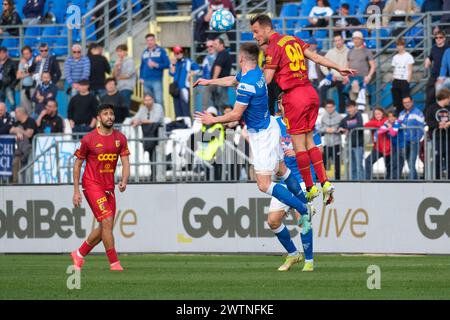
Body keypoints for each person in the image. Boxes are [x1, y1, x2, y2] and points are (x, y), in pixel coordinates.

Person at [195, 42, 315, 235]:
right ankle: (305, 200)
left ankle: (303, 209)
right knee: (281, 170)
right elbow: (232, 80)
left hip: (261, 135)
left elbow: (235, 115)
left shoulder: (247, 85)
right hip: (270, 126)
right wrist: (209, 81)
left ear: (241, 58)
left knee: (264, 184)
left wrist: (213, 119)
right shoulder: (256, 73)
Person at [249, 14, 356, 204]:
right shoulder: (293, 39)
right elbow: (315, 57)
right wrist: (338, 68)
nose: (254, 36)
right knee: (309, 142)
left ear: (267, 29)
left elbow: (265, 80)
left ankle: (309, 187)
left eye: (256, 32)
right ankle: (324, 182)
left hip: (294, 96)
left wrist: (244, 82)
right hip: (310, 93)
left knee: (299, 146)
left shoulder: (273, 46)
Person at [71, 104, 130, 272]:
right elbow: (77, 164)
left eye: (111, 113)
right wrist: (76, 191)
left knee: (106, 227)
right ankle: (114, 263)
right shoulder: (88, 139)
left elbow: (125, 162)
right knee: (107, 221)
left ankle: (79, 253)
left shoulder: (120, 138)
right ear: (99, 118)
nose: (110, 117)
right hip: (91, 184)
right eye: (105, 114)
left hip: (109, 186)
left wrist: (124, 180)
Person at [268, 96, 317, 272]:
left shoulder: (304, 123)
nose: (284, 105)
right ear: (279, 105)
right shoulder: (274, 123)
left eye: (287, 101)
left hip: (303, 180)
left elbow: (318, 150)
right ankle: (293, 253)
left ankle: (309, 261)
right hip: (284, 180)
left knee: (302, 219)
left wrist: (298, 152)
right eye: (281, 102)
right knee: (273, 221)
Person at [319, 34, 349, 113]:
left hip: (344, 78)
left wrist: (347, 76)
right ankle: (322, 108)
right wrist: (329, 75)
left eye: (339, 40)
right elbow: (322, 64)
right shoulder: (331, 52)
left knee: (342, 94)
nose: (338, 42)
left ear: (342, 40)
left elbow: (352, 65)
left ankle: (342, 113)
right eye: (335, 41)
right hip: (333, 78)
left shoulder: (348, 52)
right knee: (323, 88)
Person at [345, 31, 376, 105]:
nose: (356, 40)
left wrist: (369, 76)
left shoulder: (367, 51)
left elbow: (373, 66)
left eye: (358, 39)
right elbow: (347, 65)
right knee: (352, 102)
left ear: (362, 40)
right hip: (352, 80)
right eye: (354, 39)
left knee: (364, 102)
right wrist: (346, 76)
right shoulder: (350, 51)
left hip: (363, 80)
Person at [425, 88, 450, 179]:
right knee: (437, 160)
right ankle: (437, 179)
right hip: (436, 139)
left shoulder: (449, 108)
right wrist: (438, 124)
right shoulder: (431, 108)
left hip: (448, 138)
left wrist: (448, 124)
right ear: (445, 97)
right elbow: (427, 121)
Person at [398, 96, 425, 179]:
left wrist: (416, 139)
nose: (406, 104)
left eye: (408, 102)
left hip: (414, 142)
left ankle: (411, 181)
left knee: (411, 162)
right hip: (404, 142)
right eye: (404, 103)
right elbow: (398, 126)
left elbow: (421, 128)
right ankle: (415, 180)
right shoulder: (401, 113)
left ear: (412, 102)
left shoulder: (418, 113)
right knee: (409, 163)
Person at [139, 33, 170, 106]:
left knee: (158, 100)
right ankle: (150, 117)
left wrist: (156, 65)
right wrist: (141, 77)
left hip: (156, 80)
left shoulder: (161, 51)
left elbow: (168, 64)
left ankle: (161, 117)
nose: (150, 42)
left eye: (151, 40)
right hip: (146, 80)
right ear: (146, 42)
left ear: (155, 40)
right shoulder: (144, 52)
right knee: (148, 102)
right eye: (148, 40)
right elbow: (142, 66)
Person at [169, 46, 199, 118]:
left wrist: (190, 74)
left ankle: (187, 124)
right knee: (177, 109)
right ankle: (179, 124)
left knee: (185, 108)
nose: (177, 54)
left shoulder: (188, 61)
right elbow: (171, 73)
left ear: (182, 53)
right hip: (175, 89)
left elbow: (197, 69)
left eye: (179, 53)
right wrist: (172, 65)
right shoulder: (174, 63)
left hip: (184, 88)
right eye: (176, 53)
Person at [9, 107, 37, 183]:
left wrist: (19, 130)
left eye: (16, 113)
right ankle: (16, 182)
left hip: (30, 149)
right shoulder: (17, 122)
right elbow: (11, 129)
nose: (15, 115)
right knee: (15, 163)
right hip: (19, 150)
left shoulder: (30, 121)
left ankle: (27, 183)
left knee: (27, 168)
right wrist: (17, 132)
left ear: (21, 113)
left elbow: (29, 134)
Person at [338, 100, 364, 180]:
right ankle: (354, 182)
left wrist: (348, 129)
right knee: (352, 166)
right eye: (348, 108)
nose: (349, 110)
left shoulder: (358, 115)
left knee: (359, 166)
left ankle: (361, 182)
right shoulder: (346, 118)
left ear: (355, 107)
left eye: (351, 107)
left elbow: (359, 126)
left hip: (358, 145)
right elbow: (339, 127)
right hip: (349, 145)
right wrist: (342, 129)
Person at [364, 107, 391, 179]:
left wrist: (378, 124)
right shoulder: (373, 121)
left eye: (379, 113)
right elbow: (366, 125)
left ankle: (389, 182)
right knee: (368, 161)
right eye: (376, 114)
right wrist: (378, 124)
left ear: (383, 113)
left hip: (388, 149)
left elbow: (385, 123)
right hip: (377, 148)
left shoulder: (386, 120)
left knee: (389, 167)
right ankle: (368, 180)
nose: (377, 115)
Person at [425, 30, 448, 112]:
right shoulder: (434, 48)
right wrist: (428, 59)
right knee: (429, 96)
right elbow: (430, 57)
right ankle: (428, 116)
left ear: (444, 38)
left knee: (443, 97)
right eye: (436, 38)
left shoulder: (448, 49)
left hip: (445, 76)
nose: (438, 39)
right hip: (434, 75)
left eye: (440, 37)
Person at [319, 99, 343, 180]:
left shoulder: (340, 117)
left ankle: (338, 180)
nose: (329, 109)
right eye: (327, 107)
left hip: (336, 144)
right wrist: (326, 129)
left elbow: (342, 128)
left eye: (331, 107)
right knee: (324, 164)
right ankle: (323, 180)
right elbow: (320, 129)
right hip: (327, 144)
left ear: (334, 107)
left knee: (337, 164)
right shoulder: (323, 117)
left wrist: (335, 130)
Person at [379, 109, 405, 179]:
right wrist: (388, 128)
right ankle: (392, 178)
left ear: (396, 117)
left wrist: (389, 128)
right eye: (389, 117)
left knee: (399, 163)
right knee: (393, 162)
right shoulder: (387, 122)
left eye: (393, 116)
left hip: (401, 146)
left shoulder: (397, 123)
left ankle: (396, 178)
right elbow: (380, 131)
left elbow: (393, 133)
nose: (391, 118)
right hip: (393, 145)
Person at [391, 38, 414, 114]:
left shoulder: (408, 56)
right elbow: (394, 69)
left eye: (401, 45)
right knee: (396, 101)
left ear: (404, 46)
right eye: (398, 45)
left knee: (406, 100)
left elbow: (410, 70)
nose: (399, 47)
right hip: (396, 80)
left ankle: (407, 115)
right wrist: (393, 79)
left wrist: (407, 81)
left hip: (404, 80)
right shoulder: (395, 57)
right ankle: (398, 115)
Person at [209, 37, 232, 112]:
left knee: (221, 103)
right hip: (220, 83)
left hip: (220, 83)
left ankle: (223, 121)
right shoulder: (220, 54)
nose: (214, 46)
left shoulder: (223, 53)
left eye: (216, 44)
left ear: (221, 44)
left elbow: (218, 67)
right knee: (217, 103)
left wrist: (213, 81)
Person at [113, 44, 136, 112]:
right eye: (117, 51)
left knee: (125, 105)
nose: (119, 53)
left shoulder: (130, 61)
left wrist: (119, 77)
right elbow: (114, 75)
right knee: (119, 106)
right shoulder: (117, 61)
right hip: (119, 87)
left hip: (127, 86)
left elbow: (129, 74)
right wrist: (116, 67)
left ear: (126, 52)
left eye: (120, 51)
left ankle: (126, 121)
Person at [16, 46, 35, 115]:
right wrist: (28, 73)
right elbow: (18, 76)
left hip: (34, 87)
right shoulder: (22, 62)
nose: (26, 55)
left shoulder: (34, 61)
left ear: (31, 53)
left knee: (35, 108)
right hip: (24, 88)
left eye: (28, 53)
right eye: (24, 54)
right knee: (25, 110)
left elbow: (34, 74)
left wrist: (25, 68)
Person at [200, 39, 217, 108]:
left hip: (218, 83)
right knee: (205, 104)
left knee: (219, 103)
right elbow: (204, 73)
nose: (209, 48)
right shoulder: (205, 59)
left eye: (211, 46)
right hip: (208, 83)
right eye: (207, 47)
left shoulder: (219, 56)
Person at [0, 46, 17, 112]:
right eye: (0, 53)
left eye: (3, 53)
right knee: (1, 104)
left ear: (7, 53)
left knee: (12, 103)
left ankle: (13, 117)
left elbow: (17, 76)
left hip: (9, 86)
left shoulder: (12, 63)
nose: (2, 54)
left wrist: (12, 85)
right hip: (0, 87)